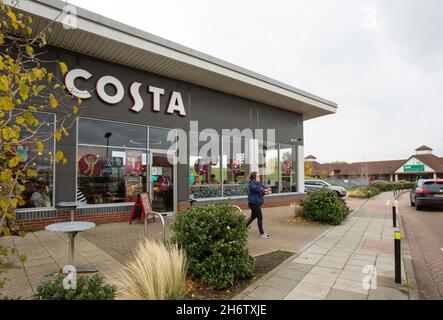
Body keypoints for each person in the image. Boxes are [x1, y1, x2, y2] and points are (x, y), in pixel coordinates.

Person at [246, 171, 272, 238]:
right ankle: (262, 233)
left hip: (257, 203)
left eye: (259, 176)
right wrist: (264, 190)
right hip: (253, 203)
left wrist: (266, 192)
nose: (259, 177)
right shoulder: (252, 183)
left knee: (253, 217)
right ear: (254, 177)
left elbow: (261, 192)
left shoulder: (258, 183)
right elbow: (258, 190)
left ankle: (242, 227)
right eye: (257, 176)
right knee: (260, 217)